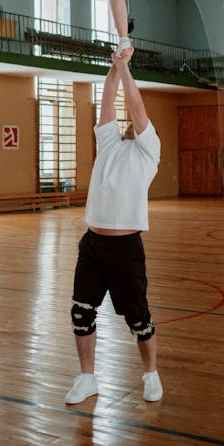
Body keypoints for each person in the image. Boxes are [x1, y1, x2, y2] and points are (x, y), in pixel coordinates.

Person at [65, 47, 163, 405]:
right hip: (92, 244)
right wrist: (112, 68)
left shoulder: (148, 150)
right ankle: (86, 377)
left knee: (138, 319)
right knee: (81, 312)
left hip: (125, 248)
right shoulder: (108, 144)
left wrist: (125, 68)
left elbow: (137, 109)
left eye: (134, 125)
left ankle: (150, 374)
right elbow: (107, 103)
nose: (127, 124)